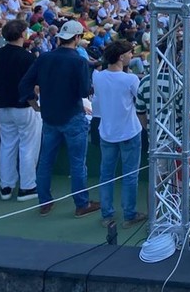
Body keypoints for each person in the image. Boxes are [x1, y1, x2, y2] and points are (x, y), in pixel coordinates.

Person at [18, 19, 100, 217]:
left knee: (45, 161)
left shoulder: (45, 58)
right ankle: (81, 204)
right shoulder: (79, 61)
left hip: (49, 117)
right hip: (73, 116)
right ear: (77, 37)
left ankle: (44, 202)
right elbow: (83, 91)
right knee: (77, 163)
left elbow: (24, 84)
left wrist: (34, 104)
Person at [93, 40, 146, 228]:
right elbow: (140, 101)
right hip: (129, 132)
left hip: (107, 133)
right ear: (121, 57)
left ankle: (107, 214)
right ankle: (129, 214)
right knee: (130, 176)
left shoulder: (97, 77)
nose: (132, 55)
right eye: (130, 53)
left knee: (106, 175)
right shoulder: (130, 80)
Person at [0, 18, 40, 201]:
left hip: (3, 106)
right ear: (21, 34)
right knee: (28, 147)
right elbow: (33, 85)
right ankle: (27, 187)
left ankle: (6, 186)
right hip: (23, 106)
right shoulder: (27, 57)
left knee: (7, 145)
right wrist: (36, 106)